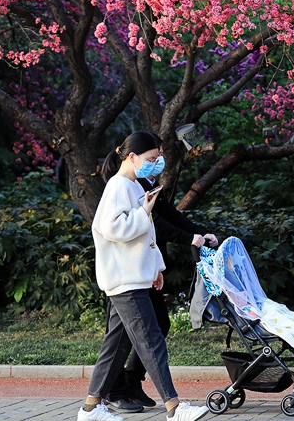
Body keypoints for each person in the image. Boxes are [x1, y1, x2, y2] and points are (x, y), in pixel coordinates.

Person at [77, 131, 209, 421]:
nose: (155, 163)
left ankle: (90, 409)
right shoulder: (118, 186)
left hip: (133, 276)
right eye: (151, 158)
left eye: (158, 158)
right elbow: (112, 229)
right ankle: (174, 408)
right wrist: (143, 213)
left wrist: (155, 269)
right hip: (125, 280)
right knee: (150, 341)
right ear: (131, 157)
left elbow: (146, 235)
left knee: (117, 345)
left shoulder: (131, 185)